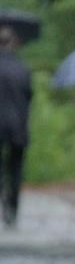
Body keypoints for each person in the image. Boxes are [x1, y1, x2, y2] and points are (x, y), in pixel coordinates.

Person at [0, 25, 32, 228]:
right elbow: (29, 96)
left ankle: (3, 199)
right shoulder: (22, 68)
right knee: (16, 169)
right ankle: (12, 207)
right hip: (18, 126)